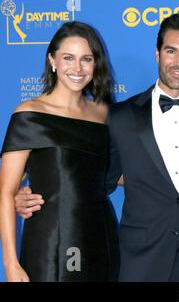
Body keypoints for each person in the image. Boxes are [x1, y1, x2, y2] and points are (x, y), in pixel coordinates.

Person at [15, 13, 179, 281]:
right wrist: (28, 195)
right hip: (139, 261)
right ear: (157, 54)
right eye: (171, 51)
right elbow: (88, 175)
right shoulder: (120, 117)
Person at [0, 21, 119, 282]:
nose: (77, 68)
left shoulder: (104, 114)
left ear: (95, 64)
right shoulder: (29, 114)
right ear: (52, 60)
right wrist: (11, 264)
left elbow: (117, 174)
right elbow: (7, 192)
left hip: (101, 238)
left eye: (86, 59)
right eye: (68, 58)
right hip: (50, 241)